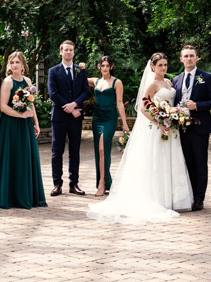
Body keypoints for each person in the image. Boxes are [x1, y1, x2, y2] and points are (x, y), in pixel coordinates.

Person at [86, 52, 193, 223]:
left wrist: (173, 116)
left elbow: (171, 103)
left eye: (165, 65)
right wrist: (159, 123)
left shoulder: (168, 82)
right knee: (156, 160)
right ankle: (157, 198)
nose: (163, 68)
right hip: (156, 128)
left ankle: (170, 198)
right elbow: (143, 108)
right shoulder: (151, 84)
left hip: (170, 128)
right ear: (153, 66)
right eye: (160, 65)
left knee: (169, 160)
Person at [0, 52, 46, 209]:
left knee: (25, 158)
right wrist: (20, 115)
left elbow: (31, 103)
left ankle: (26, 195)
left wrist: (35, 122)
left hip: (25, 125)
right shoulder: (7, 82)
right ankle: (10, 197)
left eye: (17, 62)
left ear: (23, 65)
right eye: (12, 62)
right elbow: (3, 106)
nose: (14, 65)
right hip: (11, 125)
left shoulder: (28, 81)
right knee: (13, 157)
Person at [172, 44, 211, 211]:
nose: (189, 59)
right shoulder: (176, 80)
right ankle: (190, 195)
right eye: (185, 56)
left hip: (200, 128)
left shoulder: (207, 77)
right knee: (187, 163)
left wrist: (197, 106)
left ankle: (200, 199)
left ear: (197, 58)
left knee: (200, 163)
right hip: (182, 128)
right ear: (181, 59)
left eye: (192, 55)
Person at [47, 40, 90, 196]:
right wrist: (69, 107)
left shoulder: (80, 71)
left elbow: (85, 91)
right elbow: (53, 93)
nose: (68, 52)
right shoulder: (53, 71)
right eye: (65, 50)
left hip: (76, 117)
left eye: (71, 50)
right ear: (61, 52)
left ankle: (74, 184)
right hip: (59, 116)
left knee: (74, 151)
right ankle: (57, 184)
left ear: (74, 52)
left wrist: (75, 104)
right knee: (56, 151)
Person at [89, 55, 129, 196]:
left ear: (111, 67)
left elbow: (119, 102)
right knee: (98, 150)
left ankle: (102, 183)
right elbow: (77, 79)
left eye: (107, 65)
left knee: (102, 148)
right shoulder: (95, 81)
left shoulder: (117, 82)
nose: (105, 68)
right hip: (97, 118)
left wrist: (124, 123)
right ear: (99, 67)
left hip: (110, 118)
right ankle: (104, 181)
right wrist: (81, 68)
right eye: (102, 65)